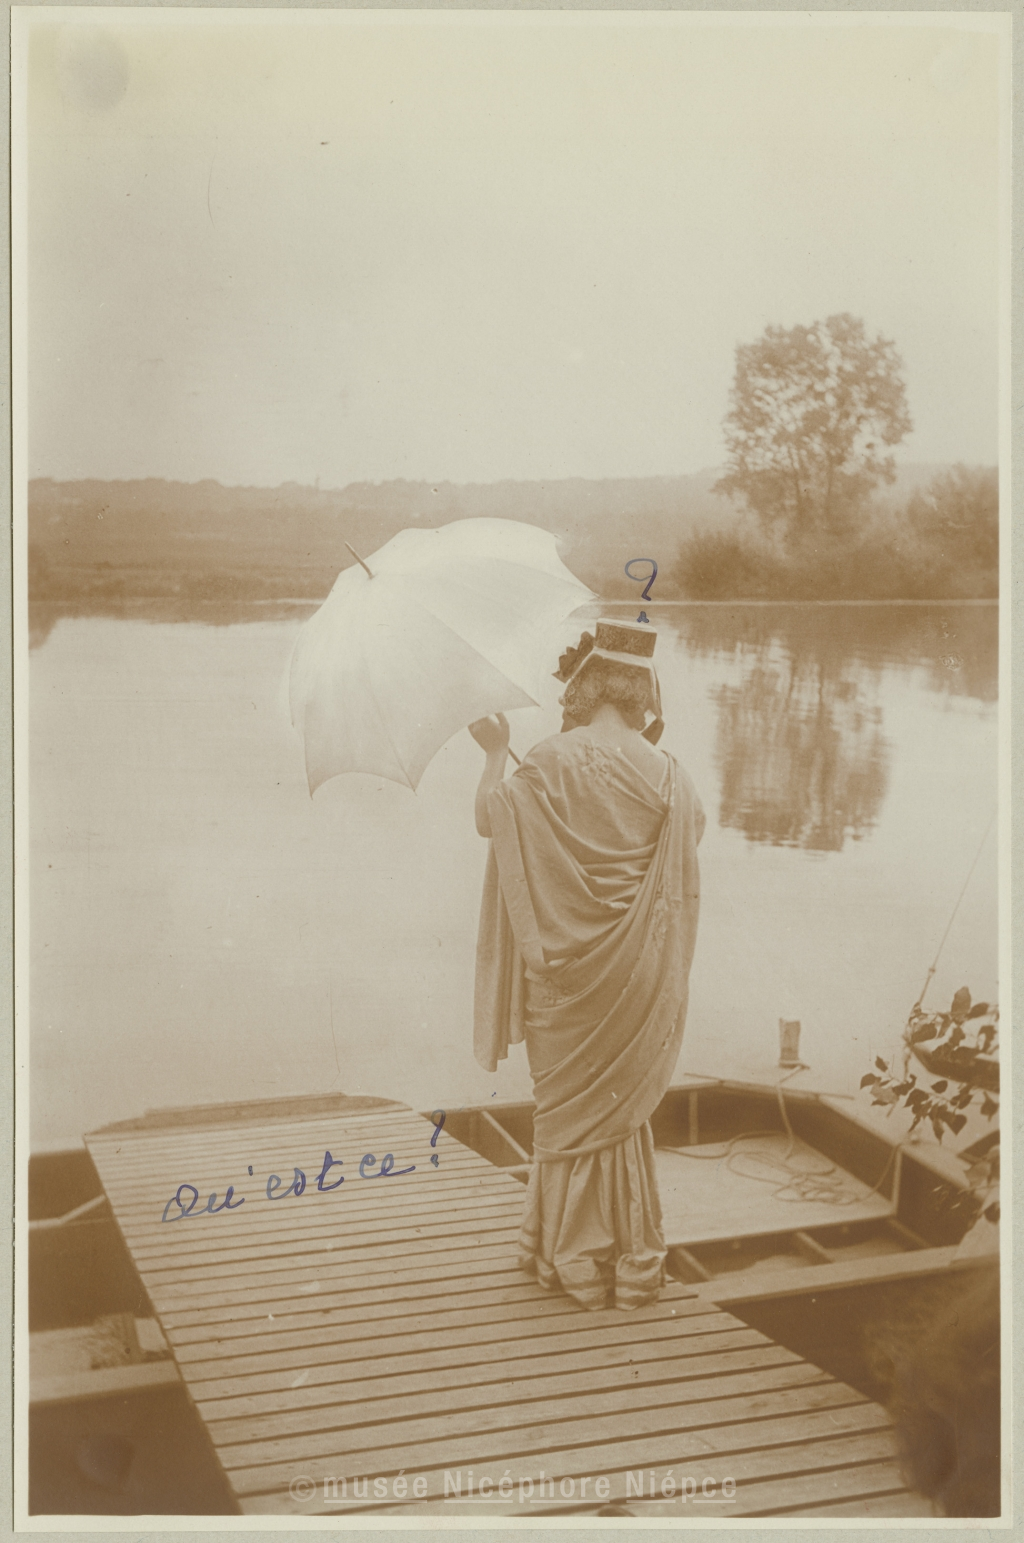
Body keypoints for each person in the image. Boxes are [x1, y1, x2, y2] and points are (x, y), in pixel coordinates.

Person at [470, 620, 704, 1312]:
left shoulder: (545, 759)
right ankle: (626, 1252)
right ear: (642, 693)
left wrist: (495, 752)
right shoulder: (671, 773)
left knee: (565, 1111)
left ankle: (565, 1254)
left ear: (581, 687)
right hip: (637, 973)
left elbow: (488, 820)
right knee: (619, 1113)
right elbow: (690, 840)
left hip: (563, 976)